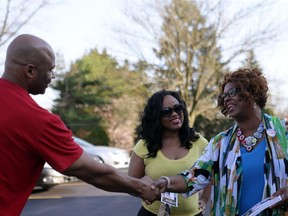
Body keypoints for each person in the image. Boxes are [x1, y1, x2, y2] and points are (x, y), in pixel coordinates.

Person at [0, 34, 157, 216]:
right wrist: (140, 187)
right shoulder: (37, 121)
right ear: (30, 71)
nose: (53, 76)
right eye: (50, 70)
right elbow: (93, 173)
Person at [152, 68, 288, 215]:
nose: (226, 98)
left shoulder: (283, 132)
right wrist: (166, 182)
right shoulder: (220, 143)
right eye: (223, 96)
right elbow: (194, 176)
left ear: (252, 92)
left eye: (232, 92)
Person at [128, 90, 211, 216]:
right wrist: (143, 192)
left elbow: (210, 175)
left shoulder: (199, 142)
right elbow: (131, 184)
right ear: (156, 116)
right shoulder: (144, 145)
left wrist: (204, 199)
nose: (175, 114)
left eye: (178, 108)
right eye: (166, 111)